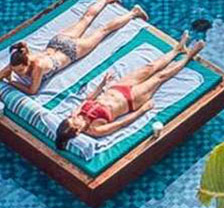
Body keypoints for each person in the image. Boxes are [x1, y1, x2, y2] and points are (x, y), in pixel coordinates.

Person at [0, 0, 146, 108]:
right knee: (85, 19)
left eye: (21, 71)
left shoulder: (37, 67)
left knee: (103, 31)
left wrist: (12, 82)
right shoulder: (20, 58)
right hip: (57, 42)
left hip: (70, 51)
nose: (18, 73)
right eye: (17, 71)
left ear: (27, 62)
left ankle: (134, 12)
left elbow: (32, 91)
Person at [54, 33, 205, 149]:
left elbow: (89, 99)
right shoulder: (96, 129)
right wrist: (143, 110)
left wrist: (102, 84)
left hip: (117, 87)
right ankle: (189, 56)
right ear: (78, 132)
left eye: (72, 119)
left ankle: (176, 50)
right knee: (160, 77)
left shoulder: (76, 114)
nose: (75, 119)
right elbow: (122, 124)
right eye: (75, 123)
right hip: (131, 100)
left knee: (149, 68)